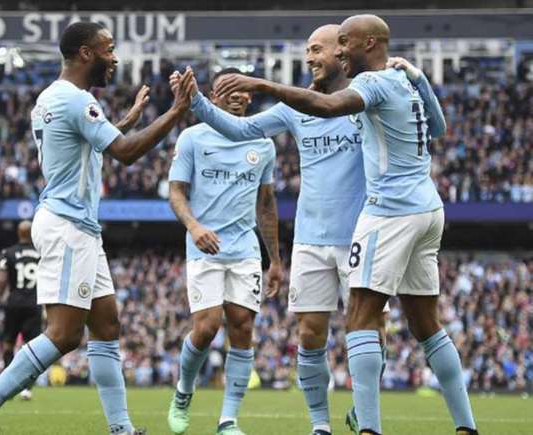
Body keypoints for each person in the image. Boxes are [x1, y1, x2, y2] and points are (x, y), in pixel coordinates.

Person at [212, 14, 478, 435]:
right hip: (429, 208)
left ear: (368, 44)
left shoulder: (370, 84)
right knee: (427, 324)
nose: (339, 51)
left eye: (343, 43)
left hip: (389, 210)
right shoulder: (405, 80)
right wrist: (422, 78)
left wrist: (262, 85)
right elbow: (439, 127)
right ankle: (467, 426)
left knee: (360, 319)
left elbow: (328, 106)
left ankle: (368, 428)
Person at [0, 21, 195, 435]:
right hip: (68, 226)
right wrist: (176, 111)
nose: (115, 57)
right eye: (109, 48)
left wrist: (126, 119)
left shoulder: (54, 97)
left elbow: (86, 146)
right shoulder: (74, 100)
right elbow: (124, 154)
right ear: (86, 53)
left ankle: (120, 429)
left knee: (106, 325)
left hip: (75, 224)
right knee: (64, 334)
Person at [182, 24, 389, 435]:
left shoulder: (368, 97)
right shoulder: (295, 109)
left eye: (317, 50)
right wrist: (197, 103)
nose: (309, 58)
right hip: (311, 239)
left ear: (341, 51)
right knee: (310, 336)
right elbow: (240, 130)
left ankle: (366, 408)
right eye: (307, 51)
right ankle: (320, 425)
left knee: (369, 332)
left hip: (361, 236)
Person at [165, 66, 282, 435]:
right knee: (206, 327)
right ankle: (184, 391)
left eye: (243, 88)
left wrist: (275, 260)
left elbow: (266, 204)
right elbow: (176, 192)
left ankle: (228, 419)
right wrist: (194, 226)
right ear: (211, 97)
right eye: (227, 88)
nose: (237, 94)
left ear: (250, 95)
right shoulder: (193, 138)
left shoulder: (263, 143)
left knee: (243, 327)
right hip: (204, 246)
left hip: (245, 248)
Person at [0, 220, 41, 401]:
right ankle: (27, 389)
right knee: (33, 349)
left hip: (14, 303)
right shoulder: (40, 253)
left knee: (9, 344)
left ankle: (9, 386)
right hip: (35, 304)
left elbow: (2, 280)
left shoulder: (8, 253)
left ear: (19, 233)